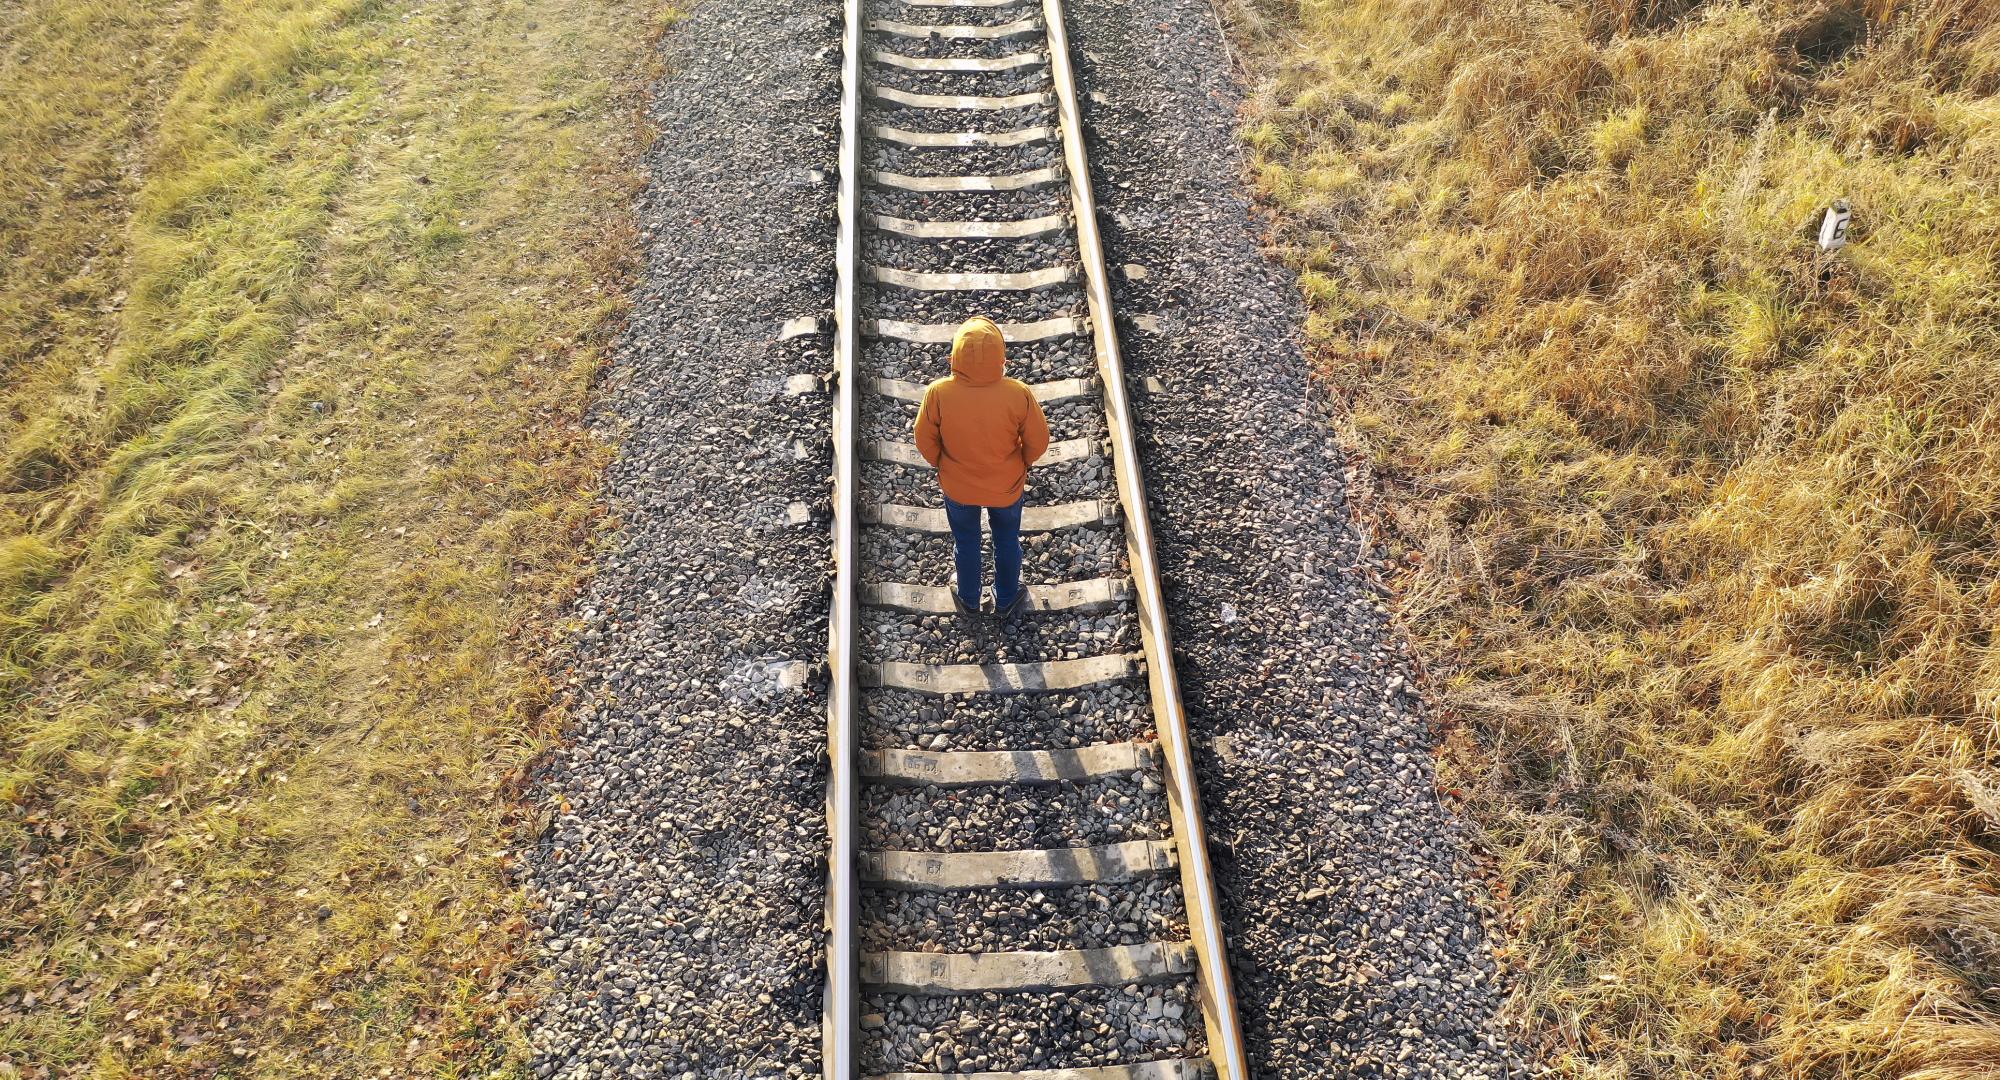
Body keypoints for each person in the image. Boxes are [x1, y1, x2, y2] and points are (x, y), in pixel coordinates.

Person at [914, 316, 1051, 619]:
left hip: (958, 486)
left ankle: (968, 599)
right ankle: (1005, 598)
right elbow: (1038, 440)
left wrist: (943, 464)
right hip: (1006, 486)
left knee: (966, 540)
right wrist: (1021, 463)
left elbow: (924, 438)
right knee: (1006, 538)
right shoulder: (1017, 393)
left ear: (954, 357)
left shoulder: (938, 393)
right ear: (1002, 358)